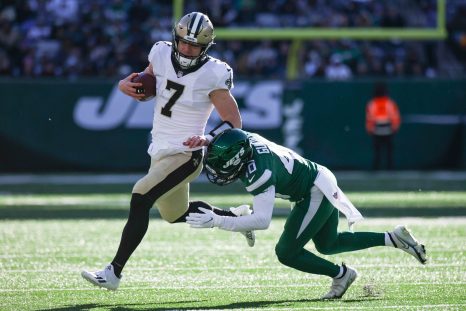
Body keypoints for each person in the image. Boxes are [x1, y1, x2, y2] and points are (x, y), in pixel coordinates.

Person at [81, 12, 255, 291]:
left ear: (205, 47)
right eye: (183, 43)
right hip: (160, 148)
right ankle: (239, 218)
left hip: (187, 153)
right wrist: (124, 86)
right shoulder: (160, 53)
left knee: (140, 196)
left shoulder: (214, 73)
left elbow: (234, 123)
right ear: (176, 38)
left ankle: (113, 272)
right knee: (175, 214)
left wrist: (207, 138)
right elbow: (146, 81)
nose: (187, 49)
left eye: (194, 45)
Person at [186, 129, 427, 299]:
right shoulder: (246, 139)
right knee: (328, 244)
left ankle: (342, 275)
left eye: (221, 166)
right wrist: (209, 141)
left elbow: (262, 220)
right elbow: (234, 134)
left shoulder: (260, 171)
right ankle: (393, 238)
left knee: (286, 252)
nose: (217, 172)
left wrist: (219, 220)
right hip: (317, 178)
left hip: (313, 190)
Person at [366, 82, 401, 170]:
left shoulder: (372, 104)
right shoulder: (389, 103)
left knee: (378, 151)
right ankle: (390, 168)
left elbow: (369, 118)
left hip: (377, 131)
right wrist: (395, 128)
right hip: (388, 130)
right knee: (388, 151)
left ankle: (377, 168)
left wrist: (370, 129)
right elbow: (395, 117)